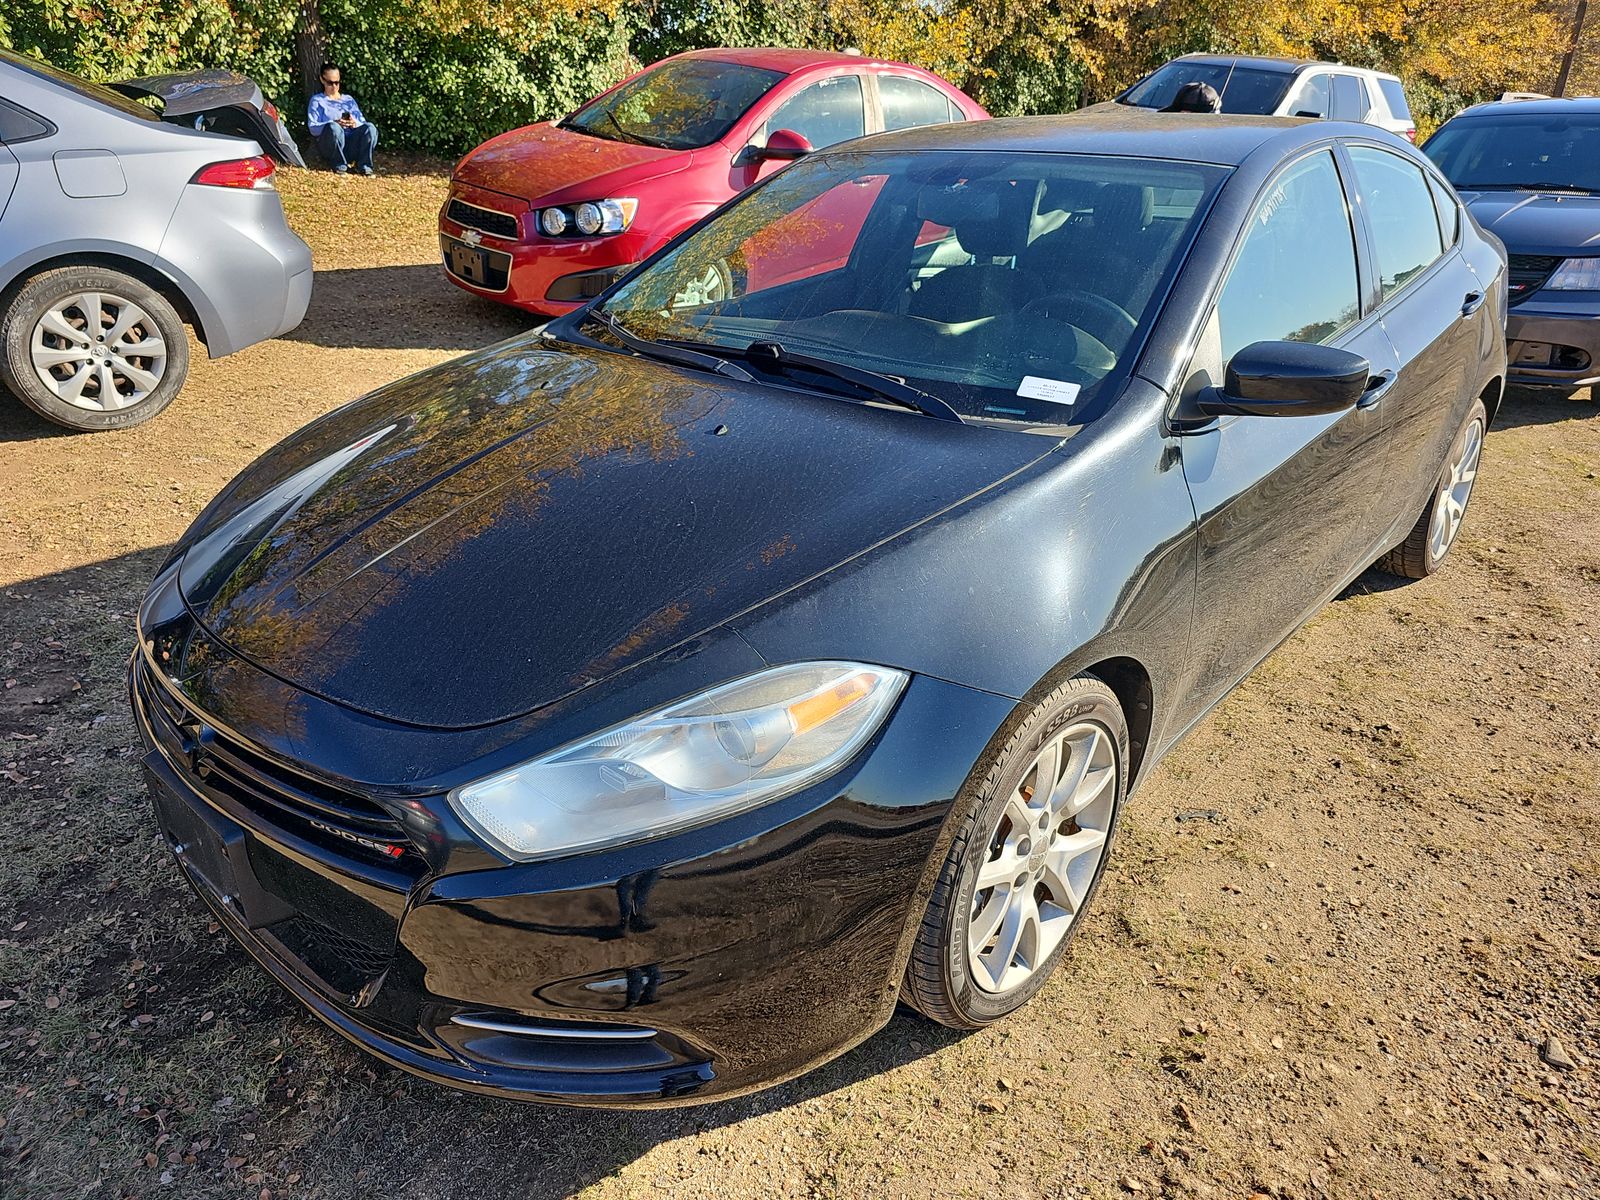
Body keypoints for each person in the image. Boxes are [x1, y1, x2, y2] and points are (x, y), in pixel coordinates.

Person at [307, 64, 378, 175]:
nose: (334, 87)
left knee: (370, 128)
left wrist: (354, 123)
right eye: (330, 83)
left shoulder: (348, 100)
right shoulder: (317, 100)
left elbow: (362, 122)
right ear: (322, 80)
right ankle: (339, 165)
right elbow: (313, 127)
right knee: (334, 128)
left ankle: (364, 166)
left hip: (351, 142)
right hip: (331, 144)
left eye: (337, 83)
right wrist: (333, 123)